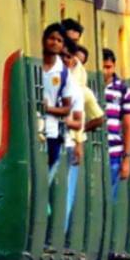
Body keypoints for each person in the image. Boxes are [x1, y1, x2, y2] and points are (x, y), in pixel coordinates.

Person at [88, 48, 130, 205]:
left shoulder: (122, 89)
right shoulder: (88, 84)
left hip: (114, 153)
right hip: (90, 149)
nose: (105, 71)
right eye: (102, 67)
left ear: (114, 67)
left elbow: (129, 125)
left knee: (108, 201)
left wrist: (127, 159)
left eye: (108, 67)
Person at [62, 42, 99, 232]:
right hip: (57, 140)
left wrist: (79, 139)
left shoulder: (79, 88)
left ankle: (59, 233)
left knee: (64, 192)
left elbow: (97, 117)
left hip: (68, 142)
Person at [40, 24, 82, 172]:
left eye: (59, 40)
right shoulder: (35, 63)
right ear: (44, 39)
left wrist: (48, 108)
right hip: (31, 129)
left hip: (51, 131)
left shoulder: (64, 73)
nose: (55, 43)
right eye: (51, 38)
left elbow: (66, 108)